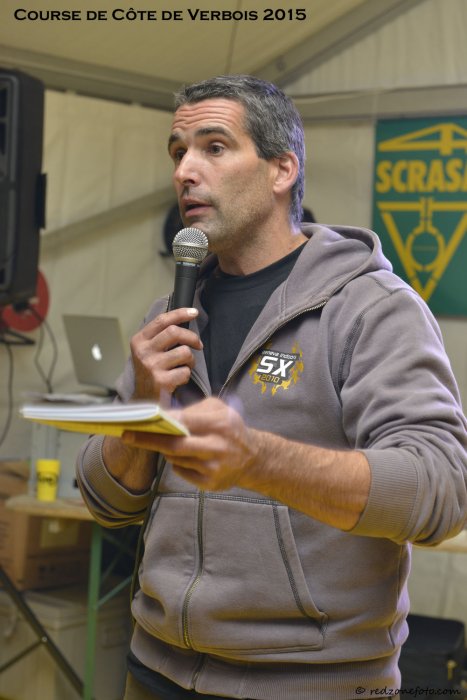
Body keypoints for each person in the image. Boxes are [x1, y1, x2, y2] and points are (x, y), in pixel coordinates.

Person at [76, 75, 467, 700]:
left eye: (214, 147)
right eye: (178, 152)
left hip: (311, 684)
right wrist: (143, 408)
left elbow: (440, 490)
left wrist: (257, 459)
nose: (185, 171)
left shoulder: (370, 308)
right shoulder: (171, 314)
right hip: (154, 670)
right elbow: (104, 503)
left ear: (282, 169)